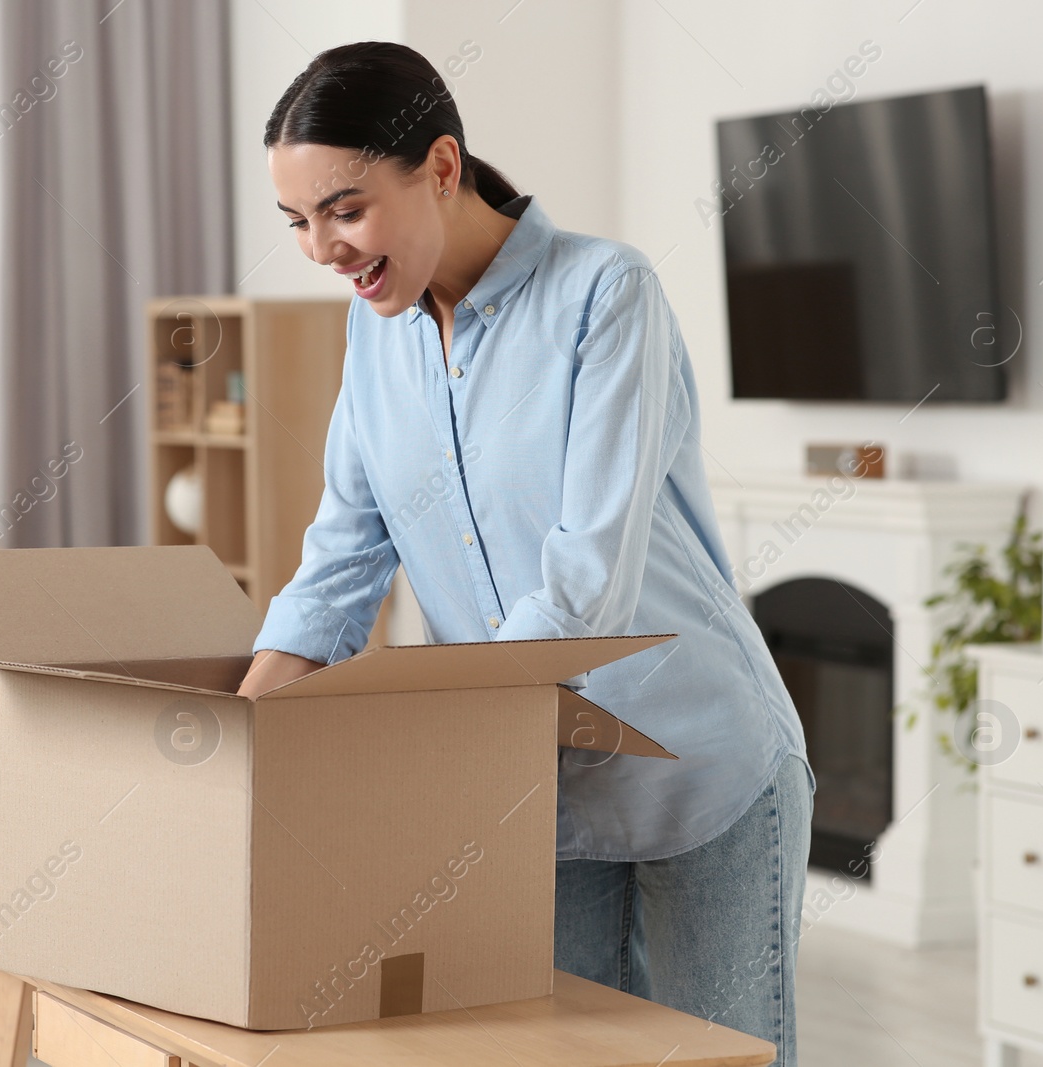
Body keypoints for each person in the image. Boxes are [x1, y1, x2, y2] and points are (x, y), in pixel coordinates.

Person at [236, 41, 813, 1066]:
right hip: (534, 785)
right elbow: (342, 551)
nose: (322, 248)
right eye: (299, 222)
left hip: (701, 762)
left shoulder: (604, 293)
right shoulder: (376, 333)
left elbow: (586, 576)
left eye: (346, 208)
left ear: (443, 167)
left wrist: (441, 738)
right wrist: (242, 735)